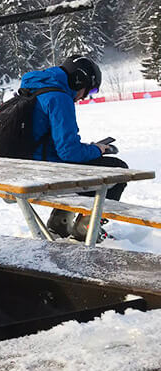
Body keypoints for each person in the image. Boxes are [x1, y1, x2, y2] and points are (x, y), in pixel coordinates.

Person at [19, 55, 126, 240]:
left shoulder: (33, 87)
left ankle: (59, 224)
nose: (84, 96)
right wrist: (97, 150)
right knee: (118, 169)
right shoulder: (59, 97)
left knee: (86, 168)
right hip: (43, 173)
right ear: (79, 81)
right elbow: (69, 152)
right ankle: (86, 230)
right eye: (90, 89)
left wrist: (89, 150)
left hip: (26, 167)